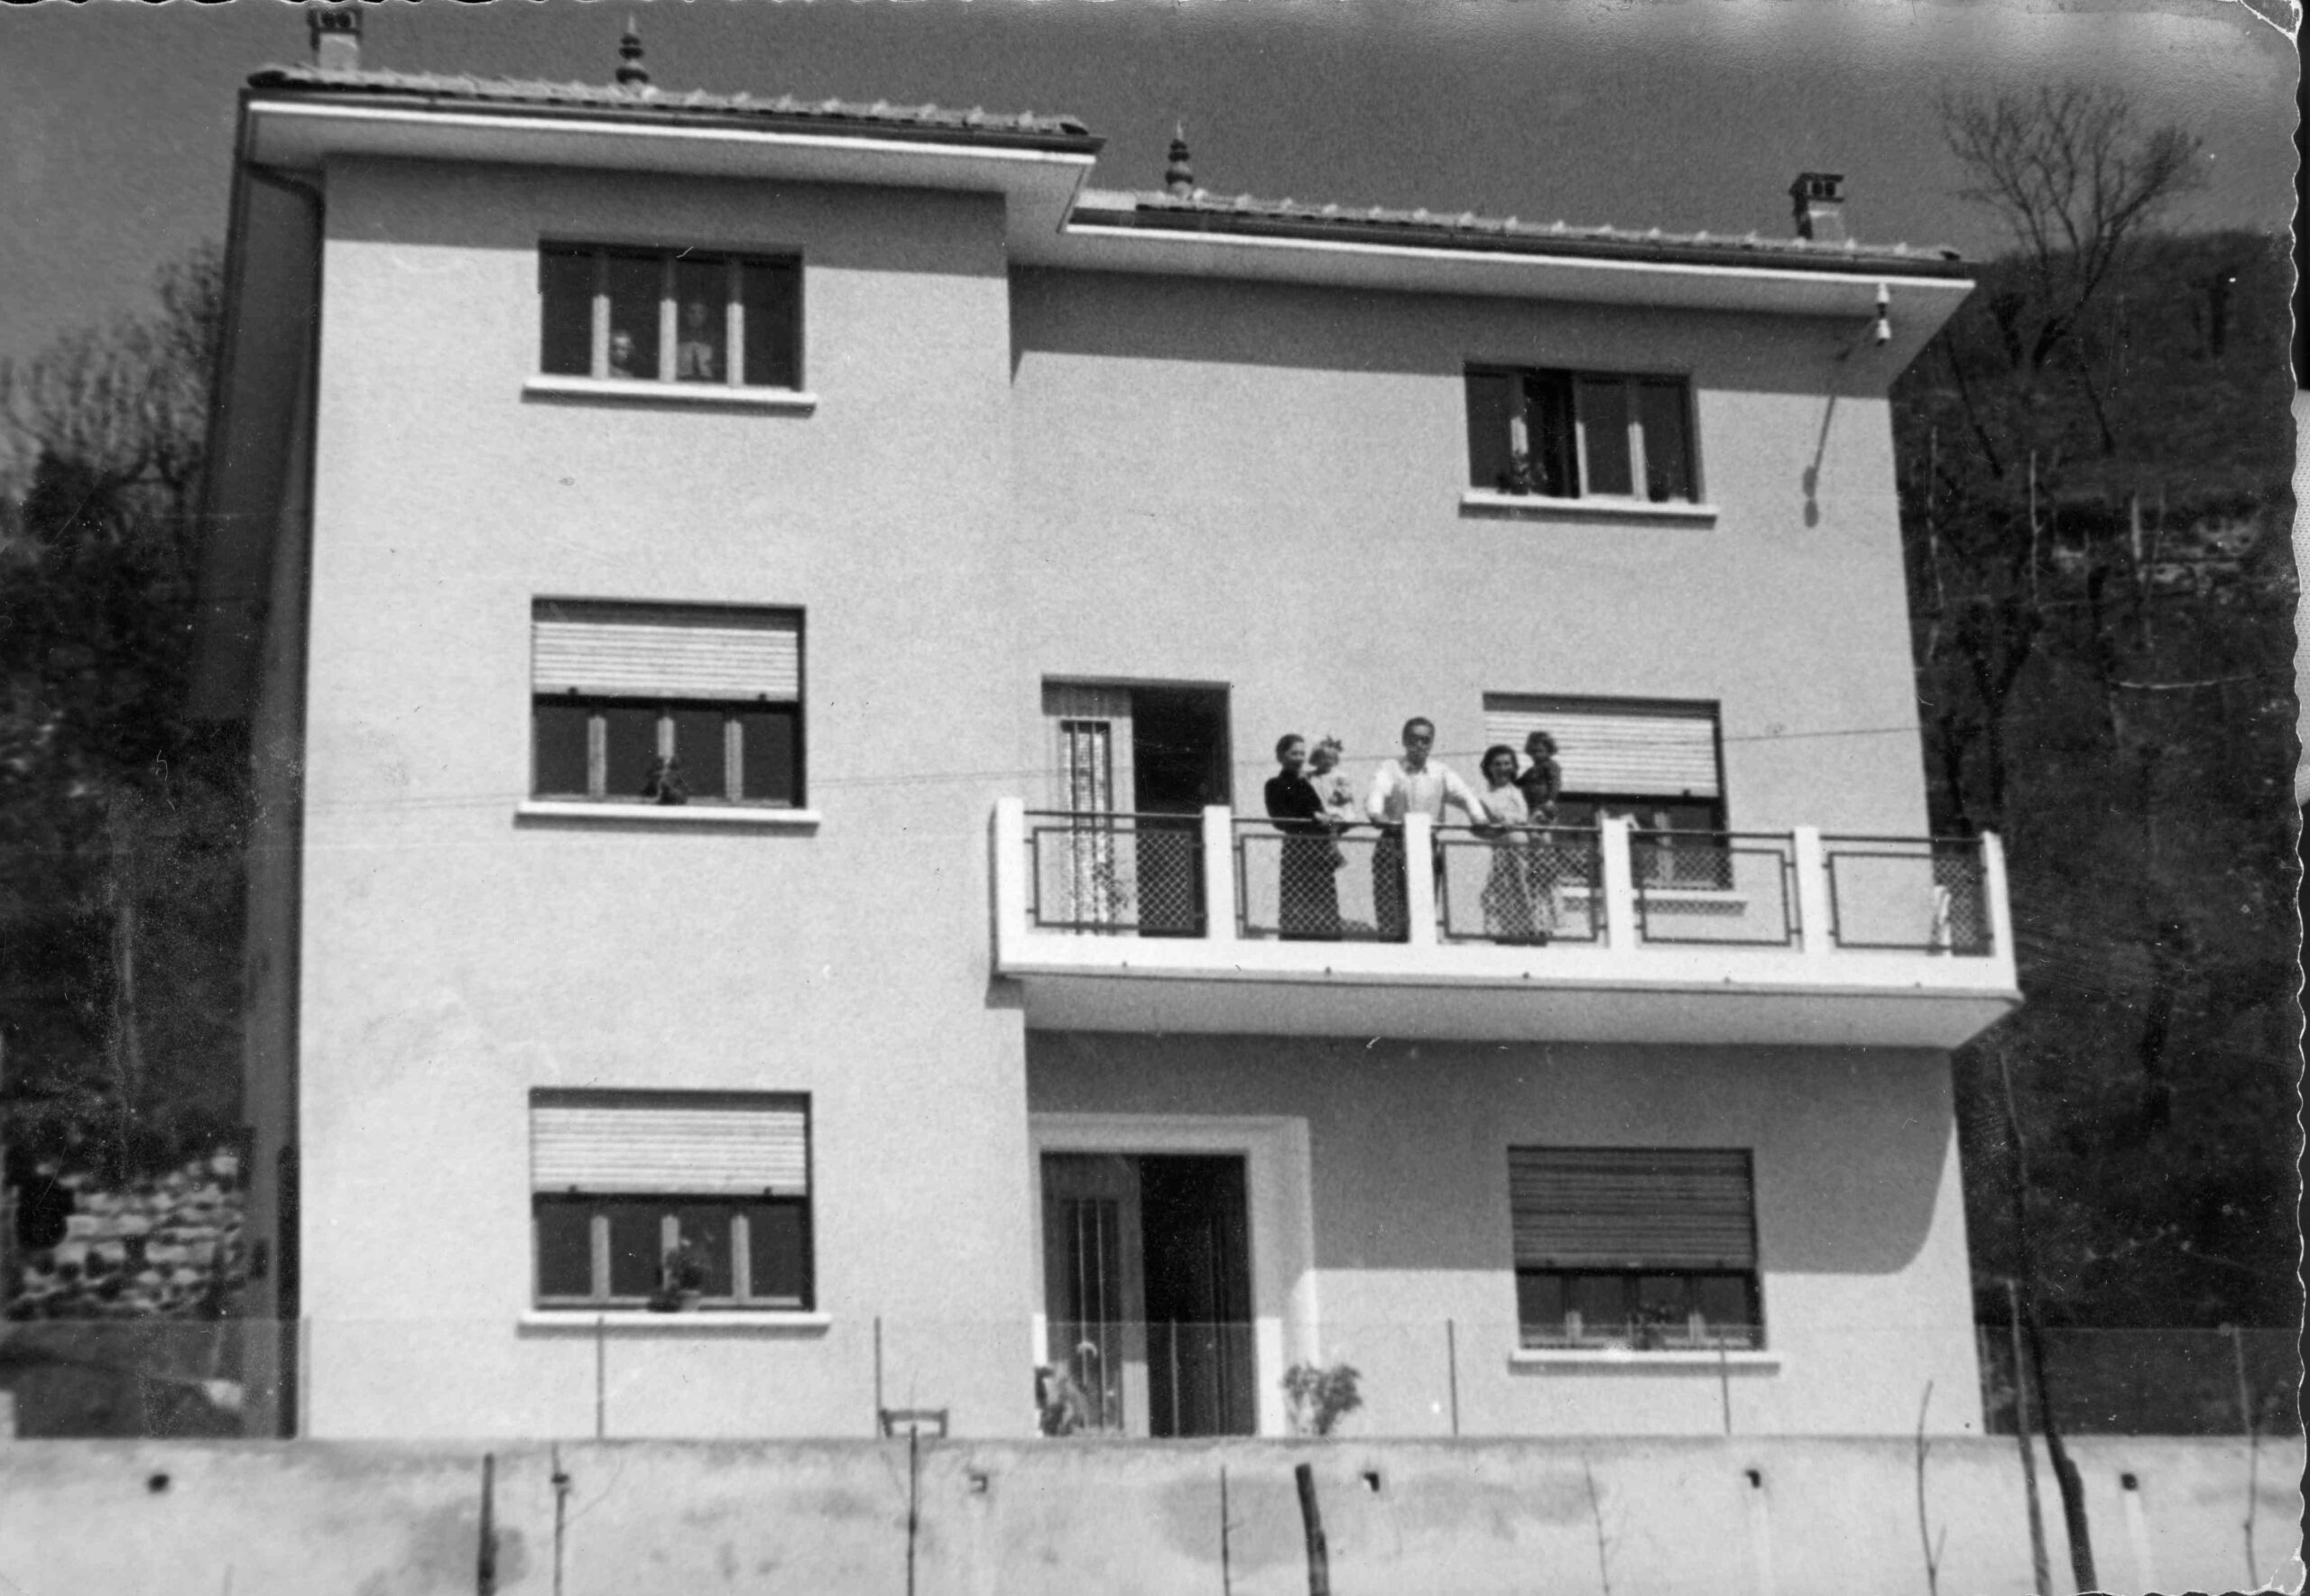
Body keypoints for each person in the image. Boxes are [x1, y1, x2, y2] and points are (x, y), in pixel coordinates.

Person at [1365, 717, 1487, 941]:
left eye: (1425, 740)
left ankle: (1420, 949)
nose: (1420, 744)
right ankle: (1392, 950)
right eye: (1414, 739)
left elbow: (1465, 795)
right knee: (1389, 903)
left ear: (1431, 743)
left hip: (1426, 843)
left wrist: (1478, 817)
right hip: (1393, 841)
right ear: (1404, 740)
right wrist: (1376, 812)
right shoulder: (1391, 768)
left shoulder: (1440, 771)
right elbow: (1378, 790)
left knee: (1423, 904)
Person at [1264, 734, 1341, 941]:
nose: (1299, 758)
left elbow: (1322, 808)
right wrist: (1312, 817)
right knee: (1297, 903)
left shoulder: (1307, 782)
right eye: (1294, 753)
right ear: (1281, 756)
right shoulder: (1275, 784)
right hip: (1297, 850)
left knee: (1324, 903)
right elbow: (1279, 819)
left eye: (1302, 753)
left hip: (1319, 850)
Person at [1475, 744, 1545, 944]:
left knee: (1533, 891)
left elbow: (1534, 819)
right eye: (1497, 764)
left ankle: (1535, 930)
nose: (1502, 768)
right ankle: (1510, 932)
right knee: (1506, 892)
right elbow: (1479, 828)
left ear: (1514, 766)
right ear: (1488, 767)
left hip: (1530, 851)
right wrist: (1500, 828)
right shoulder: (1484, 796)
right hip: (1504, 854)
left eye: (1507, 763)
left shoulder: (1522, 791)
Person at [675, 299, 719, 382]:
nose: (696, 316)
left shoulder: (714, 340)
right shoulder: (675, 337)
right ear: (685, 314)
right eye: (692, 312)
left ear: (706, 315)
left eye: (701, 312)